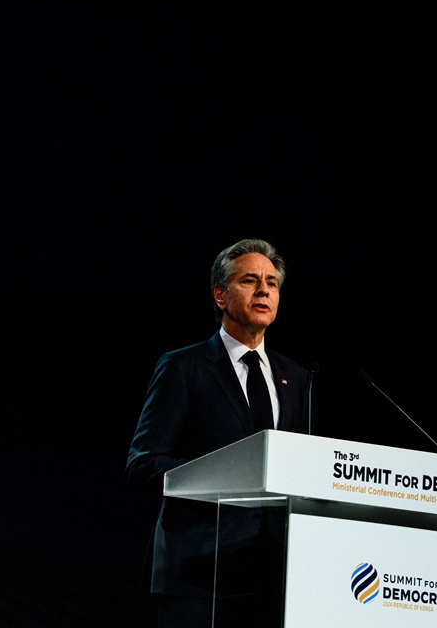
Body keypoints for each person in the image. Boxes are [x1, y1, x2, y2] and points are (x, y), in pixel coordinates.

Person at [126, 239, 309, 626]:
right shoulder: (183, 367)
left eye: (272, 283)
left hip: (271, 579)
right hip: (196, 573)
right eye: (250, 280)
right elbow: (142, 464)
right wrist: (224, 475)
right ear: (220, 295)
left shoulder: (297, 378)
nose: (264, 290)